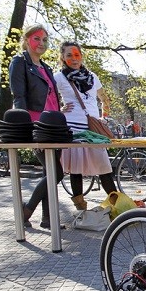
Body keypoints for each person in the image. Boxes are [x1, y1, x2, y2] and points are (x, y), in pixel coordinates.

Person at [8, 24, 64, 229]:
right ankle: (27, 210)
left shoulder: (45, 67)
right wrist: (26, 128)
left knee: (49, 171)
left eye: (45, 40)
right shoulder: (19, 62)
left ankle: (48, 218)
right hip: (36, 124)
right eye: (37, 39)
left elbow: (51, 98)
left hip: (53, 125)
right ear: (26, 40)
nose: (41, 43)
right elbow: (19, 96)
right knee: (56, 173)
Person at [53, 41, 117, 209]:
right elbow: (48, 100)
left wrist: (104, 117)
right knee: (76, 169)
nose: (74, 59)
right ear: (62, 57)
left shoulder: (92, 76)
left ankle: (118, 206)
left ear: (81, 56)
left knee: (104, 167)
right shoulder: (58, 77)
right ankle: (81, 209)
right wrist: (59, 109)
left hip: (93, 129)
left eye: (77, 55)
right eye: (69, 55)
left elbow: (105, 99)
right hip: (73, 127)